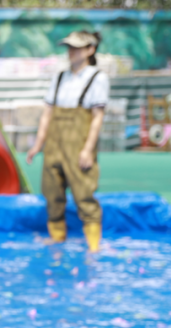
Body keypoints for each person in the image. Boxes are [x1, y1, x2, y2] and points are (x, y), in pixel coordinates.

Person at [26, 30, 109, 253]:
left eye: (77, 47)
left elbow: (97, 117)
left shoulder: (97, 77)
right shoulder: (60, 76)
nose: (71, 52)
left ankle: (93, 244)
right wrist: (38, 144)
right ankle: (57, 236)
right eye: (69, 47)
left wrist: (88, 150)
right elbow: (47, 113)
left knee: (83, 191)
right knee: (52, 189)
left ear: (90, 50)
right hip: (55, 142)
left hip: (78, 142)